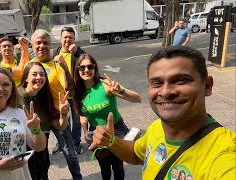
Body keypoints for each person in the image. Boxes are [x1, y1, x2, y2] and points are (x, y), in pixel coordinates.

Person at [88, 46, 236, 179]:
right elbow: (136, 153)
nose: (165, 92)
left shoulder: (224, 156)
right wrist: (111, 141)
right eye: (156, 83)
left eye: (180, 80)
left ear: (208, 86)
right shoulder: (157, 127)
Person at [73, 54, 141, 179]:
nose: (86, 70)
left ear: (95, 68)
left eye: (90, 66)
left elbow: (137, 99)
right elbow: (83, 115)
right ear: (78, 70)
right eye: (82, 68)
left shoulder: (105, 85)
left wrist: (120, 90)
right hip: (96, 132)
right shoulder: (78, 92)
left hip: (116, 129)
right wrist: (85, 130)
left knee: (117, 165)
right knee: (104, 167)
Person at [28, 29, 82, 180]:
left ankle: (78, 177)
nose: (42, 46)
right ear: (33, 45)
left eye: (46, 43)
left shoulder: (57, 63)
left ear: (50, 45)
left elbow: (69, 88)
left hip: (59, 116)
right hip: (39, 120)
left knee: (70, 154)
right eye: (38, 43)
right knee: (40, 155)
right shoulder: (29, 66)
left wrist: (65, 67)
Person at [19, 61, 69, 180]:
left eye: (42, 75)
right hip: (23, 150)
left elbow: (61, 126)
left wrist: (63, 112)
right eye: (34, 74)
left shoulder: (44, 97)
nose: (39, 78)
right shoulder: (16, 96)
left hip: (41, 150)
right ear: (26, 78)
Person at [51, 27, 86, 154]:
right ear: (60, 39)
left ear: (74, 39)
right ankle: (62, 142)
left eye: (70, 37)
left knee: (77, 120)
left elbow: (87, 62)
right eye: (65, 37)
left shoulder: (78, 52)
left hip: (76, 94)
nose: (67, 40)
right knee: (62, 120)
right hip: (59, 95)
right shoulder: (54, 53)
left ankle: (75, 142)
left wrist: (76, 53)